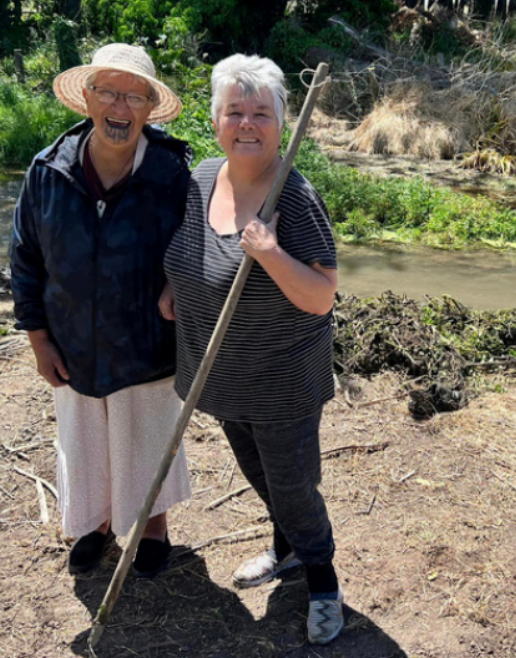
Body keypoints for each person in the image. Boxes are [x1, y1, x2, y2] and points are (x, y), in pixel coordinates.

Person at [161, 55, 343, 644]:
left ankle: (323, 583)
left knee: (292, 486)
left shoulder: (294, 195)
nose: (246, 124)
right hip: (224, 373)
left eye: (260, 113)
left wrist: (269, 251)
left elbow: (320, 296)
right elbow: (189, 250)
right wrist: (172, 289)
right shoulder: (199, 179)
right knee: (258, 474)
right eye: (234, 111)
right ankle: (286, 548)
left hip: (282, 379)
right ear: (214, 121)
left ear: (281, 123)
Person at [10, 43, 192, 578]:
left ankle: (153, 525)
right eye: (109, 92)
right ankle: (96, 524)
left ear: (150, 107)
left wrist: (179, 281)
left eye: (135, 95)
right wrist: (37, 337)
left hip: (147, 342)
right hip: (74, 340)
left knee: (148, 431)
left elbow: (201, 241)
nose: (121, 106)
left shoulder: (172, 172)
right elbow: (24, 255)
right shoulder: (48, 171)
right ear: (87, 99)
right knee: (84, 437)